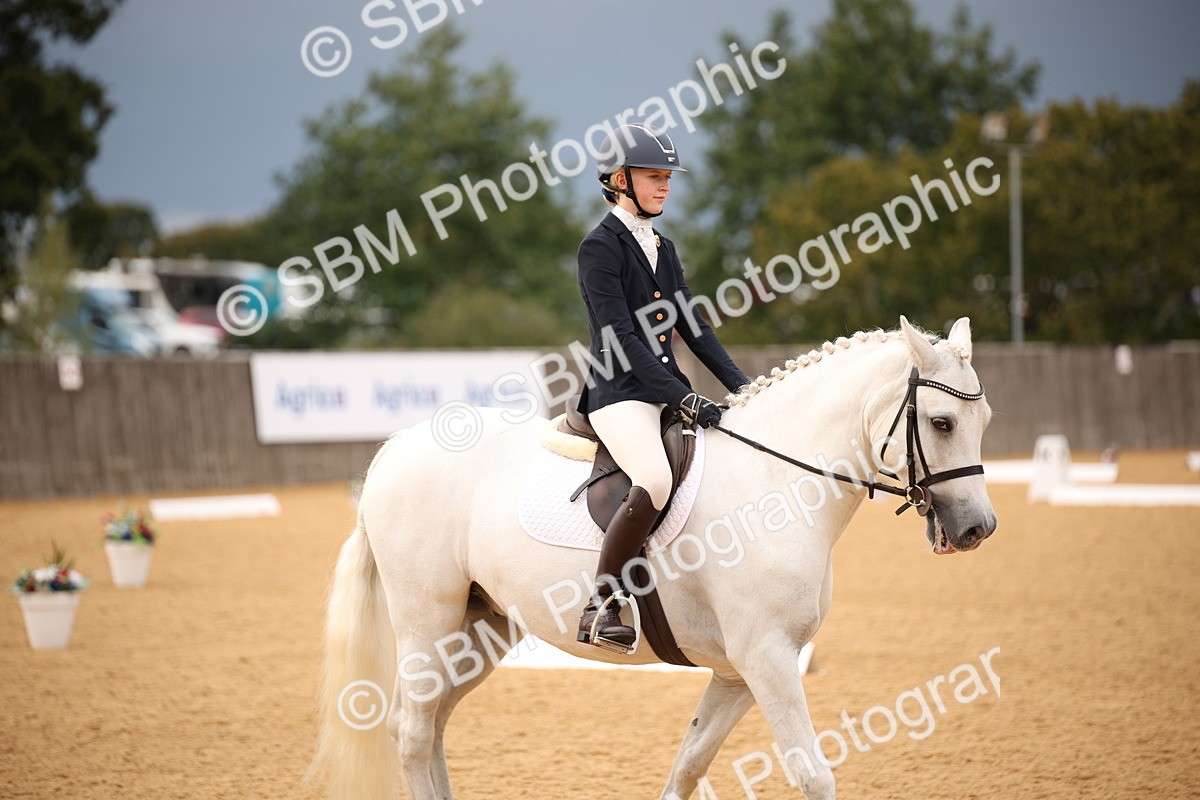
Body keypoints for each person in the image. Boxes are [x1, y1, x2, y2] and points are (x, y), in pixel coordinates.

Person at [575, 123, 750, 650]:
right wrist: (684, 397)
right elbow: (624, 339)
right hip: (618, 394)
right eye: (654, 177)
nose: (665, 187)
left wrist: (744, 388)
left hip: (664, 389)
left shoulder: (663, 247)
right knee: (653, 477)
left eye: (668, 178)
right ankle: (603, 603)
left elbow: (693, 327)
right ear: (619, 180)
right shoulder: (599, 249)